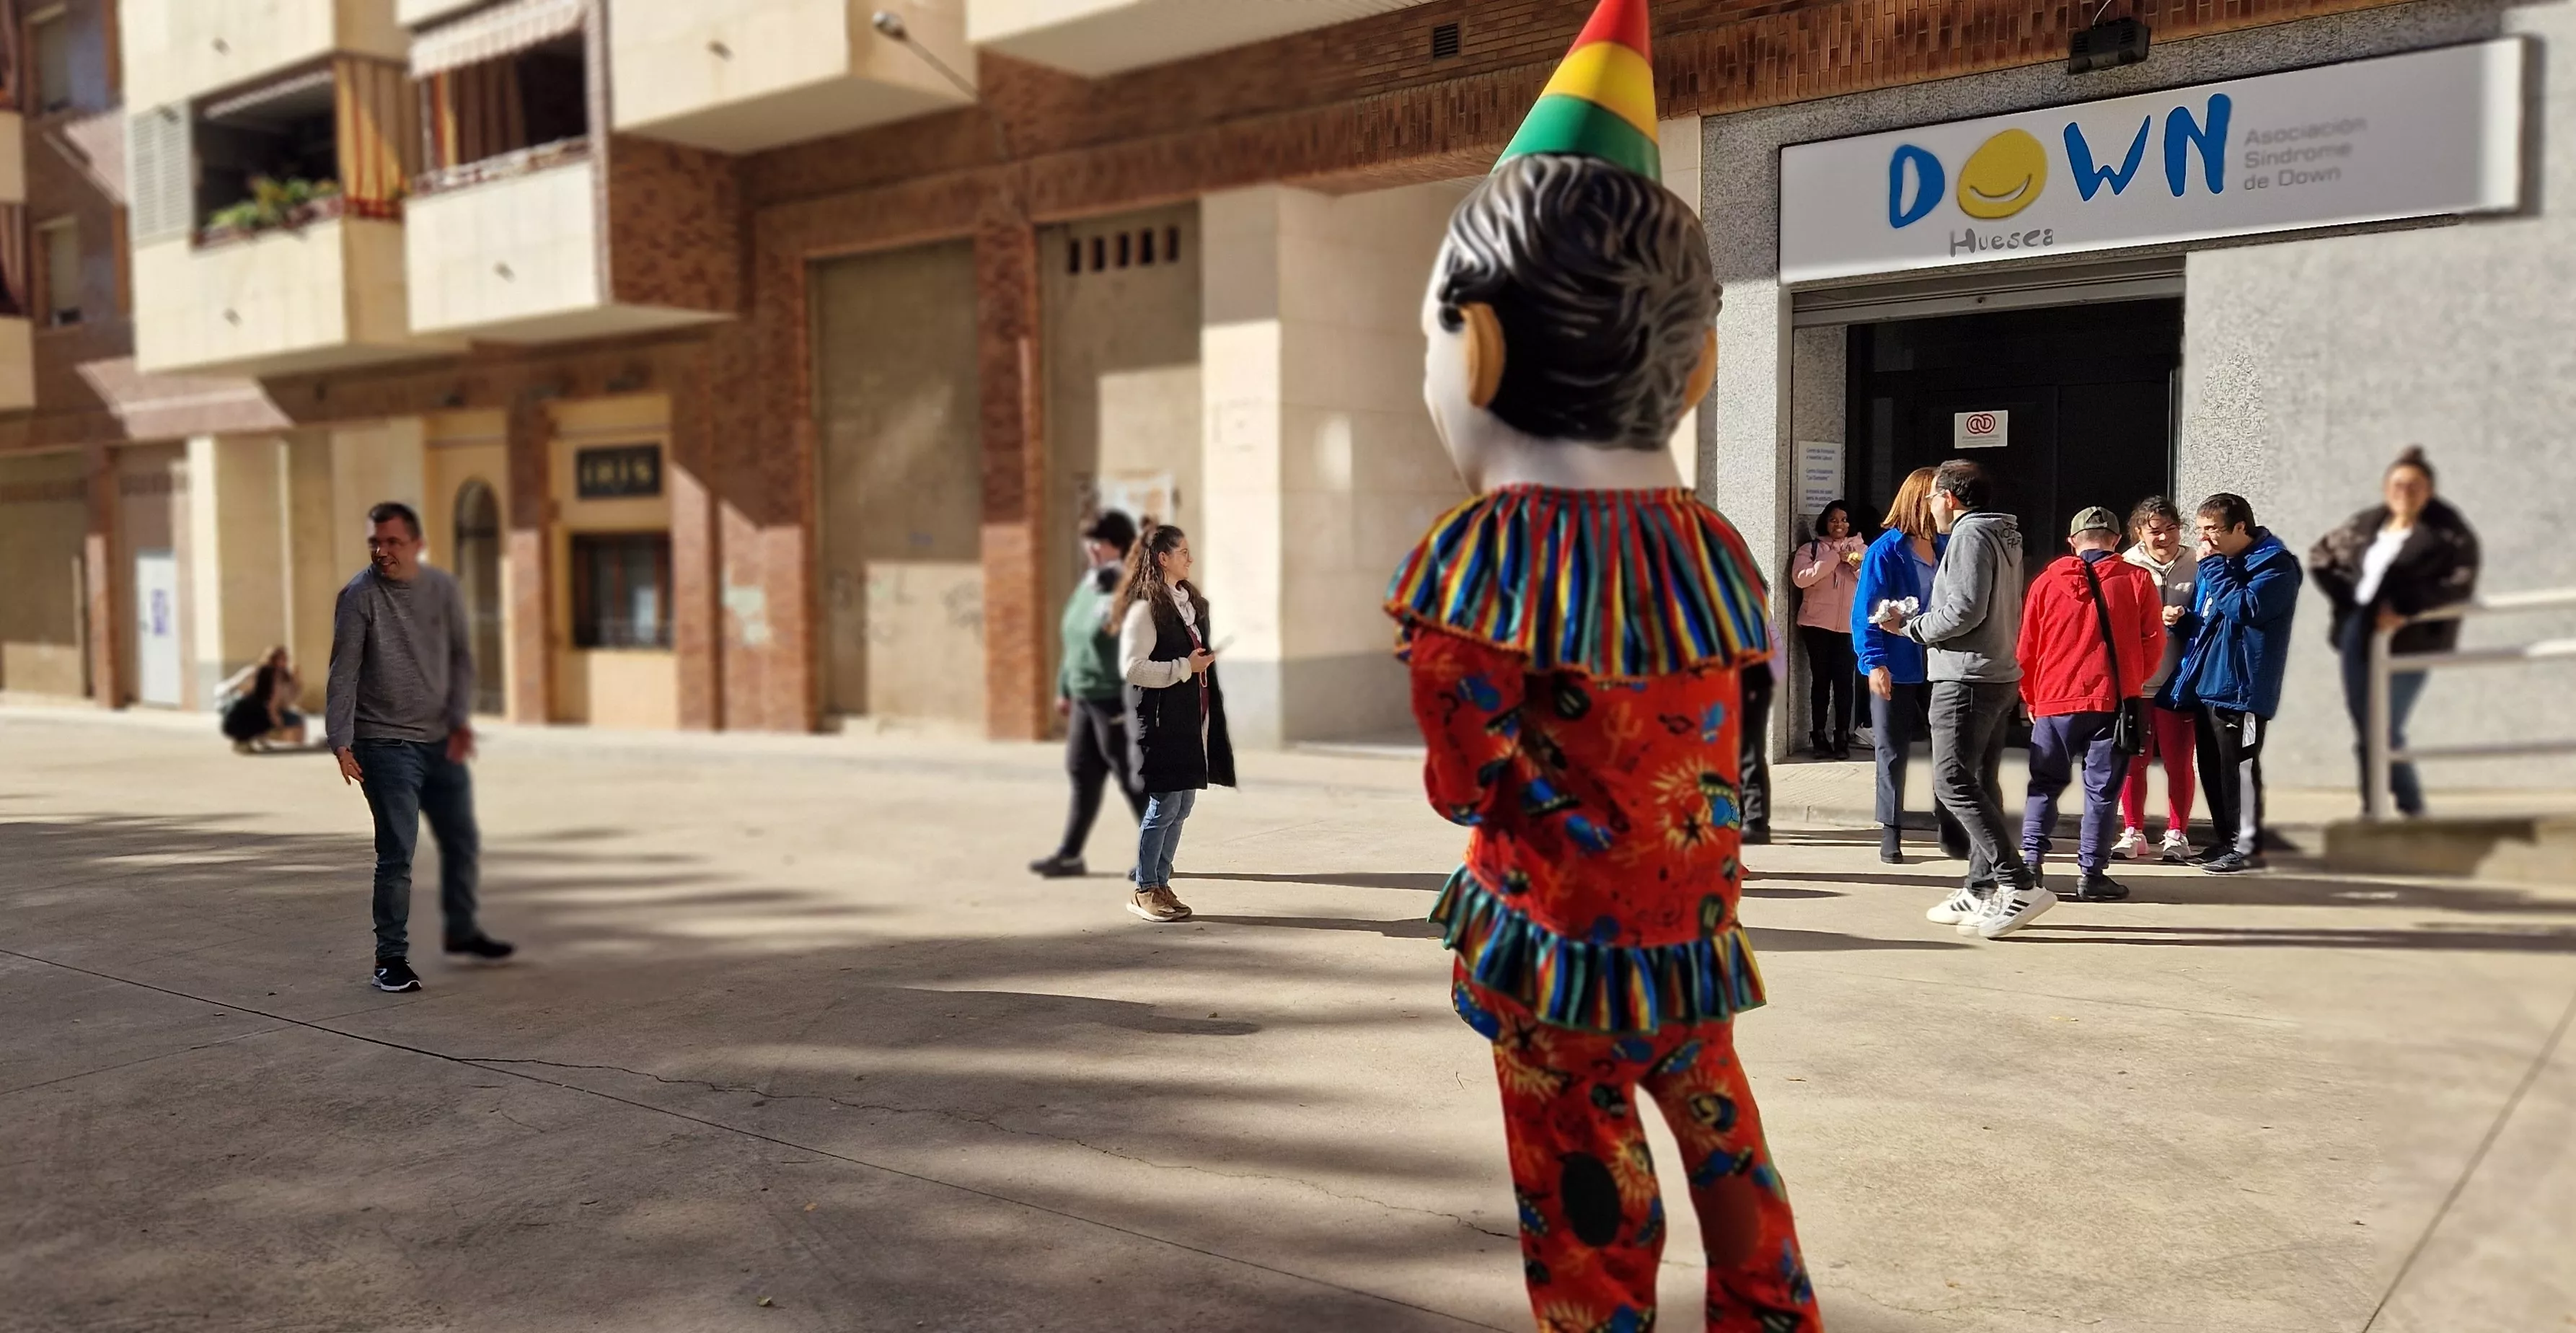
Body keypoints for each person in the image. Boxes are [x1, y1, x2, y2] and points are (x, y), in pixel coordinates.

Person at [1389, 8, 1817, 1324]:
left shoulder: (1480, 561)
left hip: (1557, 941)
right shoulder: (1711, 544)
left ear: (1475, 347)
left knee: (1583, 1181)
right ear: (1696, 367)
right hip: (1689, 926)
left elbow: (1463, 782)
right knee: (1727, 1146)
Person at [327, 502, 513, 994]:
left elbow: (460, 658)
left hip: (439, 739)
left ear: (417, 545)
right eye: (375, 542)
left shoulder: (442, 590)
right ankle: (389, 958)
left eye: (392, 542)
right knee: (397, 854)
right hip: (385, 742)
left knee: (461, 840)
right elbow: (344, 672)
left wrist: (459, 720)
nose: (381, 551)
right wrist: (340, 741)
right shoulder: (359, 596)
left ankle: (462, 931)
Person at [1874, 459, 2049, 938]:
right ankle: (1980, 887)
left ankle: (2018, 883)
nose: (1930, 505)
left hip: (1967, 676)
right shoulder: (2001, 533)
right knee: (1978, 781)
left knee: (1952, 781)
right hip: (1993, 672)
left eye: (1933, 496)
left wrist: (1910, 628)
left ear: (1949, 498)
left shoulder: (1971, 535)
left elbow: (1964, 610)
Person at [2307, 447, 2480, 817]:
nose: (2405, 492)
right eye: (2398, 484)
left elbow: (2458, 584)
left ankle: (2411, 807)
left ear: (2429, 491)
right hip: (2359, 632)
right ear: (2387, 488)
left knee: (2384, 725)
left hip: (2411, 640)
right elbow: (2322, 555)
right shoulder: (2368, 525)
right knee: (2365, 725)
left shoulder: (2448, 535)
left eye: (2415, 485)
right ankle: (2375, 808)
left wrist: (2405, 607)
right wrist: (2347, 598)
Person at [2016, 507, 2163, 902]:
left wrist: (2030, 695)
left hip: (2054, 698)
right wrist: (2132, 680)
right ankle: (2092, 874)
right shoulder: (2137, 580)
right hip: (2112, 701)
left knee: (2044, 785)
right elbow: (2154, 641)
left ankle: (2030, 863)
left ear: (2072, 541)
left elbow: (2027, 646)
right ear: (2116, 540)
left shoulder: (2046, 582)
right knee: (2102, 791)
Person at [2160, 493, 2302, 875]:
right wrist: (2183, 621)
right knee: (2214, 767)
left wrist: (2213, 568)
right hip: (2212, 683)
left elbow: (2246, 609)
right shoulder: (2224, 565)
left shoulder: (2275, 565)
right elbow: (2216, 621)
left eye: (2212, 529)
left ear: (2241, 527)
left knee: (2240, 769)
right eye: (2201, 529)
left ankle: (2247, 846)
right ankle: (2227, 839)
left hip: (2244, 689)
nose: (2204, 539)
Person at [1114, 522, 1232, 924]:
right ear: (1162, 558)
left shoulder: (1186, 604)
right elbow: (1132, 668)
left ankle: (1161, 883)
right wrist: (1185, 667)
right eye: (1183, 552)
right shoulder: (1145, 608)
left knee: (1182, 805)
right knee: (1163, 805)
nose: (1190, 559)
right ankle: (1145, 888)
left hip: (1188, 723)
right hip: (1160, 724)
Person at [1852, 467, 1966, 865]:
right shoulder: (1885, 550)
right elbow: (1866, 611)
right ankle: (1891, 829)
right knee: (1892, 749)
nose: (1945, 503)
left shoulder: (1949, 544)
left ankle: (1948, 825)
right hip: (1896, 664)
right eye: (1938, 495)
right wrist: (1874, 664)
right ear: (1920, 499)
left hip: (1942, 663)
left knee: (1947, 749)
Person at [1029, 511, 1149, 878]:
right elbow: (1074, 639)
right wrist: (1064, 687)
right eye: (1090, 541)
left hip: (1114, 695)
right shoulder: (1090, 584)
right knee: (1082, 772)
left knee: (1131, 778)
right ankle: (1070, 856)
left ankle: (1156, 857)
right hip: (1084, 696)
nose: (1093, 548)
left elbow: (1137, 641)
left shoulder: (1129, 588)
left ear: (1120, 545)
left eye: (1102, 542)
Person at [2114, 498, 2200, 861]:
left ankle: (2177, 833)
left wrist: (2185, 616)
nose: (2164, 538)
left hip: (2180, 680)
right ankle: (2132, 830)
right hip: (2138, 680)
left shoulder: (2197, 562)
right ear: (2138, 533)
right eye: (2155, 531)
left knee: (2179, 761)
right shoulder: (2126, 565)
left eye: (2171, 529)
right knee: (2134, 759)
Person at [1790, 500, 1865, 758]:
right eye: (1833, 519)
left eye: (1844, 520)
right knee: (1821, 680)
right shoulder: (1811, 549)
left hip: (1848, 627)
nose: (1839, 525)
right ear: (1825, 522)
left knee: (1844, 682)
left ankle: (1842, 736)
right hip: (1816, 625)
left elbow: (1873, 582)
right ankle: (1819, 736)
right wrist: (1833, 557)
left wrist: (1855, 564)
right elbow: (1801, 578)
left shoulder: (1863, 550)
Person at [221, 646, 307, 752]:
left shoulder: (282, 676)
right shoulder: (264, 673)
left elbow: (287, 700)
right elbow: (272, 701)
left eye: (285, 659)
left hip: (253, 710)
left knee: (292, 717)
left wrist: (296, 682)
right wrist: (275, 718)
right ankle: (245, 740)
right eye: (280, 659)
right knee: (263, 717)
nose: (284, 662)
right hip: (245, 713)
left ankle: (258, 737)